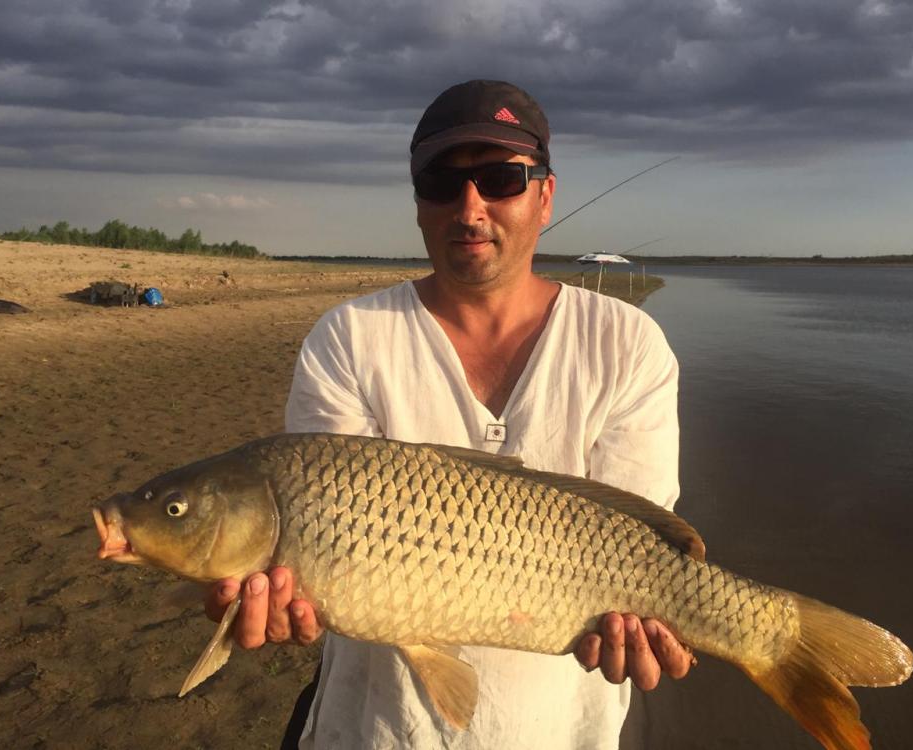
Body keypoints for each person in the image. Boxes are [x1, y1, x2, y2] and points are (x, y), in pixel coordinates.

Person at [205, 79, 692, 748]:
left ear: (544, 196)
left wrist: (648, 628)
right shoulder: (350, 337)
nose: (470, 207)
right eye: (441, 181)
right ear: (417, 205)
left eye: (501, 179)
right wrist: (280, 607)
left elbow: (641, 535)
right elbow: (316, 566)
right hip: (373, 729)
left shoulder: (627, 344)